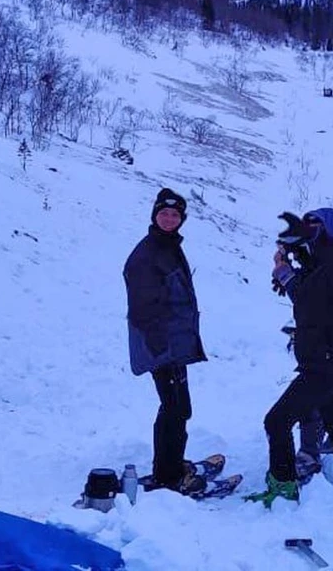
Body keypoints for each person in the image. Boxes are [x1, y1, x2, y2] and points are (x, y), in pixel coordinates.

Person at [246, 208, 333, 508]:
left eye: (316, 225)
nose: (309, 229)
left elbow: (309, 296)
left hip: (327, 362)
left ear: (330, 229)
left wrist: (284, 273)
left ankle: (284, 486)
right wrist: (292, 253)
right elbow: (316, 276)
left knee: (276, 421)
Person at [123, 187, 207, 494]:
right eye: (164, 214)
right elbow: (143, 309)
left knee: (178, 408)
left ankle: (169, 465)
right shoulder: (148, 254)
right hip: (161, 346)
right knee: (175, 408)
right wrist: (162, 348)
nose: (170, 219)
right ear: (154, 215)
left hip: (173, 343)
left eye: (175, 215)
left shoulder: (167, 246)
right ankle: (168, 475)